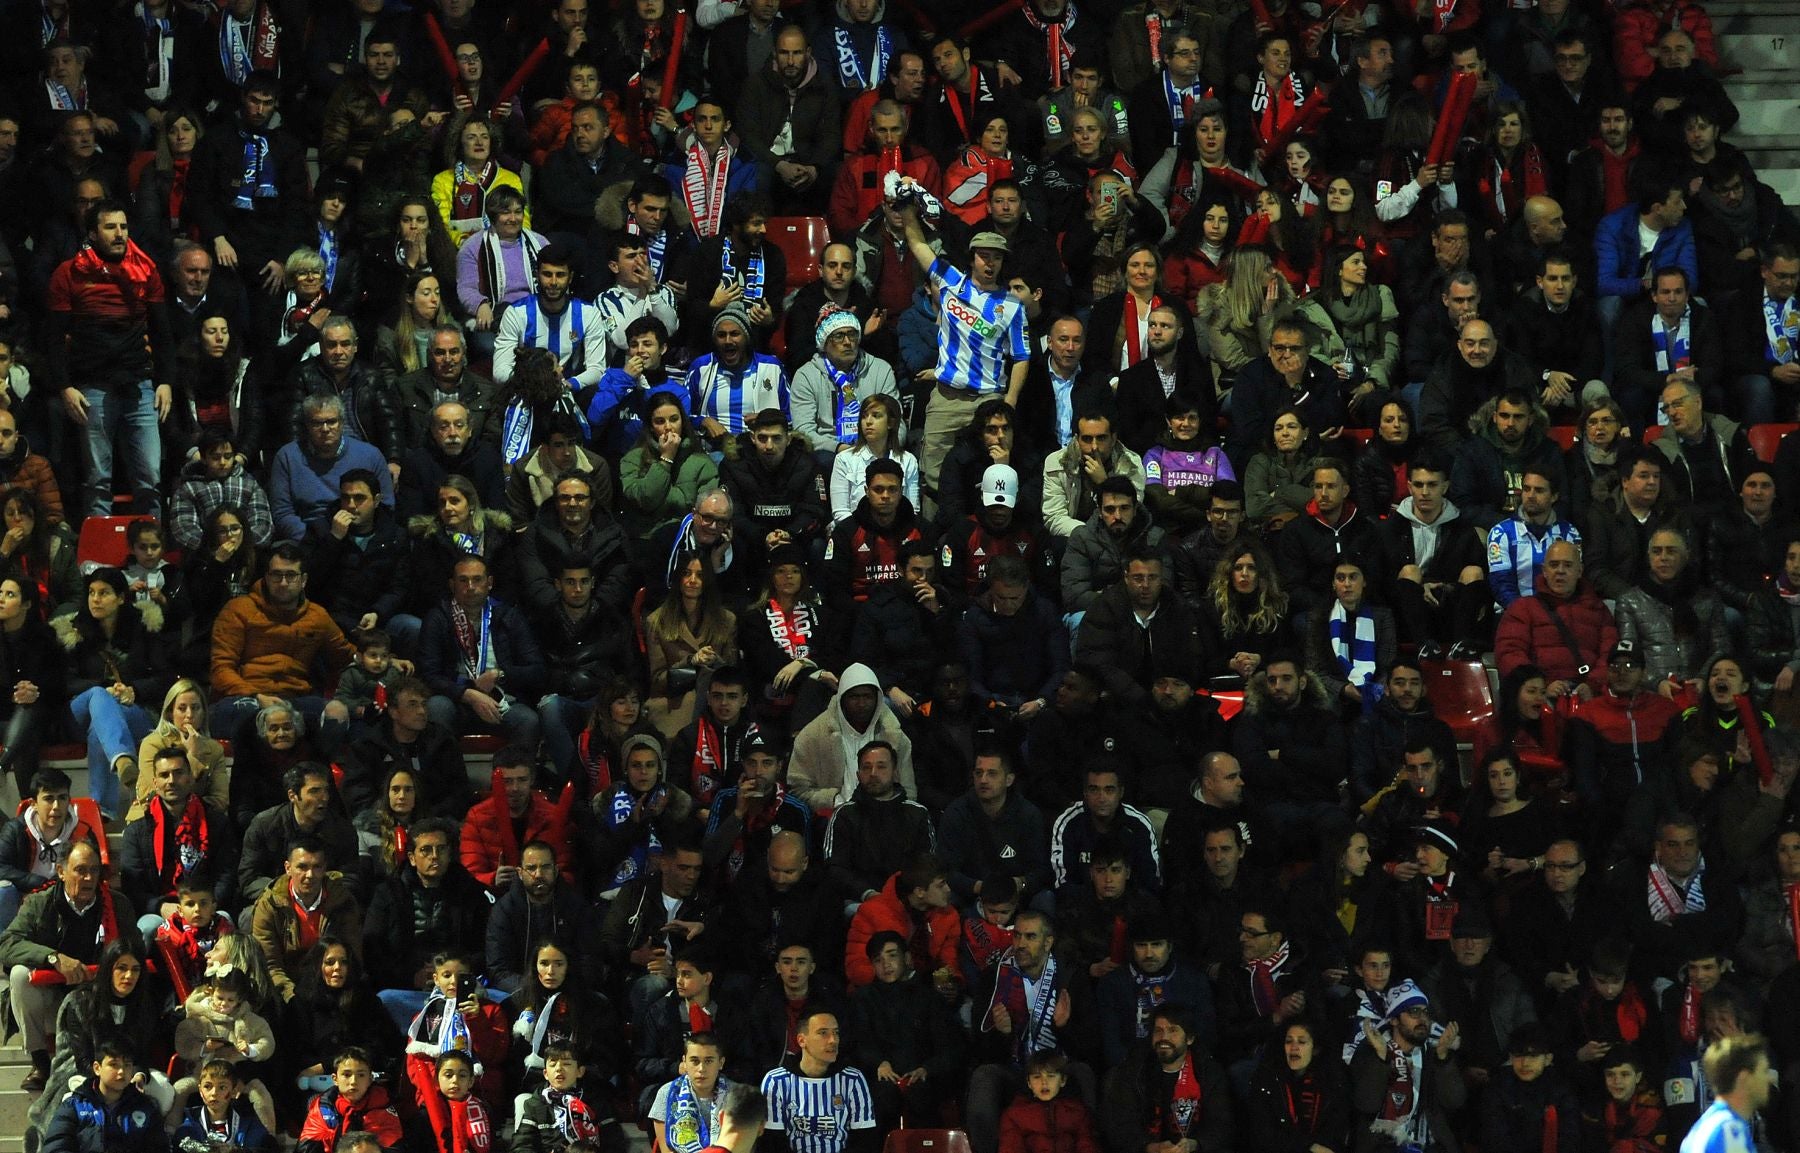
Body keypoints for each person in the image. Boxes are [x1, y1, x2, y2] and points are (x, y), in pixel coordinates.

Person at [47, 198, 175, 516]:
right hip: (92, 387)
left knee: (151, 478)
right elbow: (51, 339)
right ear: (92, 234)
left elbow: (162, 333)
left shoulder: (146, 269)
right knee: (97, 481)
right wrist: (64, 387)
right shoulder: (69, 274)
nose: (119, 234)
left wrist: (166, 382)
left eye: (123, 226)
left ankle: (151, 557)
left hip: (140, 384)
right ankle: (96, 562)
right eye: (110, 227)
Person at [0, 842, 141, 1091]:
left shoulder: (117, 905)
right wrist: (52, 958)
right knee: (21, 976)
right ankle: (41, 1062)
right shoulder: (39, 903)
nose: (88, 878)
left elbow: (136, 950)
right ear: (61, 871)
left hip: (99, 998)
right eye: (80, 870)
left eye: (94, 871)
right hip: (52, 1000)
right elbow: (8, 944)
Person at [1683, 1035, 1775, 1153]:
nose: (1769, 1079)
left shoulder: (1704, 1127)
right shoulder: (1730, 1131)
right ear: (1744, 1078)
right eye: (1763, 1071)